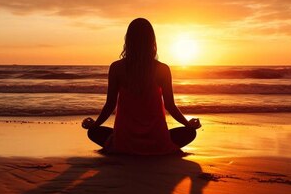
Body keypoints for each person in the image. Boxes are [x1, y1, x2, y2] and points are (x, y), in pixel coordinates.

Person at [81, 18, 202, 155]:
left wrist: (95, 124)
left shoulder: (116, 68)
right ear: (152, 41)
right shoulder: (162, 69)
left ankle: (125, 145)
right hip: (156, 143)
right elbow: (170, 106)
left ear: (128, 40)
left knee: (94, 132)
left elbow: (110, 104)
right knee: (190, 133)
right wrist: (188, 124)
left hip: (125, 143)